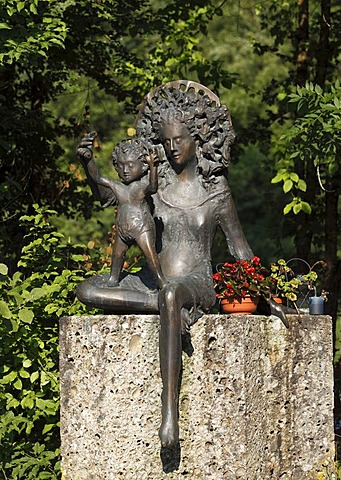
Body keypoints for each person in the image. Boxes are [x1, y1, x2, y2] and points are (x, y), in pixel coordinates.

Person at [76, 81, 282, 448]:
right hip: (152, 283)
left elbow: (241, 251)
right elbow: (111, 195)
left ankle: (169, 415)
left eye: (179, 141)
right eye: (166, 142)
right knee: (87, 289)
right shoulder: (152, 188)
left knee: (172, 293)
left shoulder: (217, 192)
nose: (172, 149)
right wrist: (88, 163)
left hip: (195, 282)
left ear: (198, 140)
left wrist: (270, 295)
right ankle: (168, 310)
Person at [78, 134, 165, 289]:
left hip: (142, 228)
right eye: (121, 165)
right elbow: (97, 177)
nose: (125, 170)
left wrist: (154, 167)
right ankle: (113, 279)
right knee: (117, 255)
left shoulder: (141, 187)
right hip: (122, 229)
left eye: (131, 165)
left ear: (143, 165)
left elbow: (153, 187)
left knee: (151, 256)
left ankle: (161, 282)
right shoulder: (118, 187)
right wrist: (89, 160)